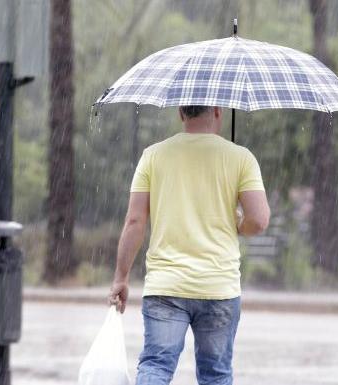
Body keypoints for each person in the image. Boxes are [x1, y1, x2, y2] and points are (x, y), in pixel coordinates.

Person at [108, 105, 270, 385]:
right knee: (215, 375)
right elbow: (259, 220)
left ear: (181, 113)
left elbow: (135, 221)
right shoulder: (241, 158)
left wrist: (121, 277)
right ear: (218, 112)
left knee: (156, 367)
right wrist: (238, 224)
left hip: (166, 286)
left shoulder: (153, 156)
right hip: (219, 287)